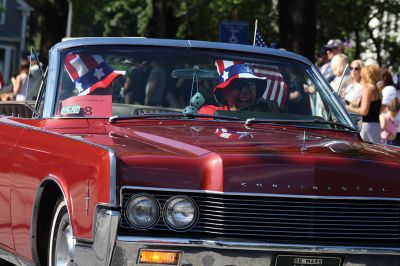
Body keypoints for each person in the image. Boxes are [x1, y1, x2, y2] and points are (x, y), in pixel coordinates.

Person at [199, 62, 267, 115]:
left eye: (250, 84)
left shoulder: (267, 114)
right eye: (237, 86)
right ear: (224, 92)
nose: (245, 92)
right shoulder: (211, 114)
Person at [346, 64, 382, 143]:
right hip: (376, 126)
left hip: (367, 126)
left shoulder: (368, 89)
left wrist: (347, 108)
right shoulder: (377, 89)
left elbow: (364, 111)